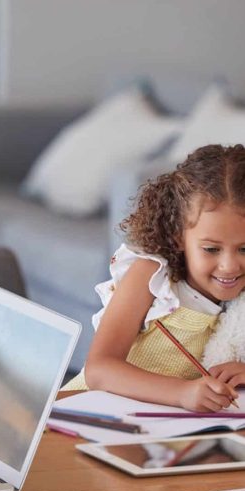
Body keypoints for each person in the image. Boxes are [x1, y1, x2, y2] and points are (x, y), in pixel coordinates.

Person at [64, 144, 245, 412]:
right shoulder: (152, 275)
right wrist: (182, 393)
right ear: (178, 236)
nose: (230, 266)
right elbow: (99, 369)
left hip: (162, 428)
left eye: (244, 248)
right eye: (211, 249)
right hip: (85, 414)